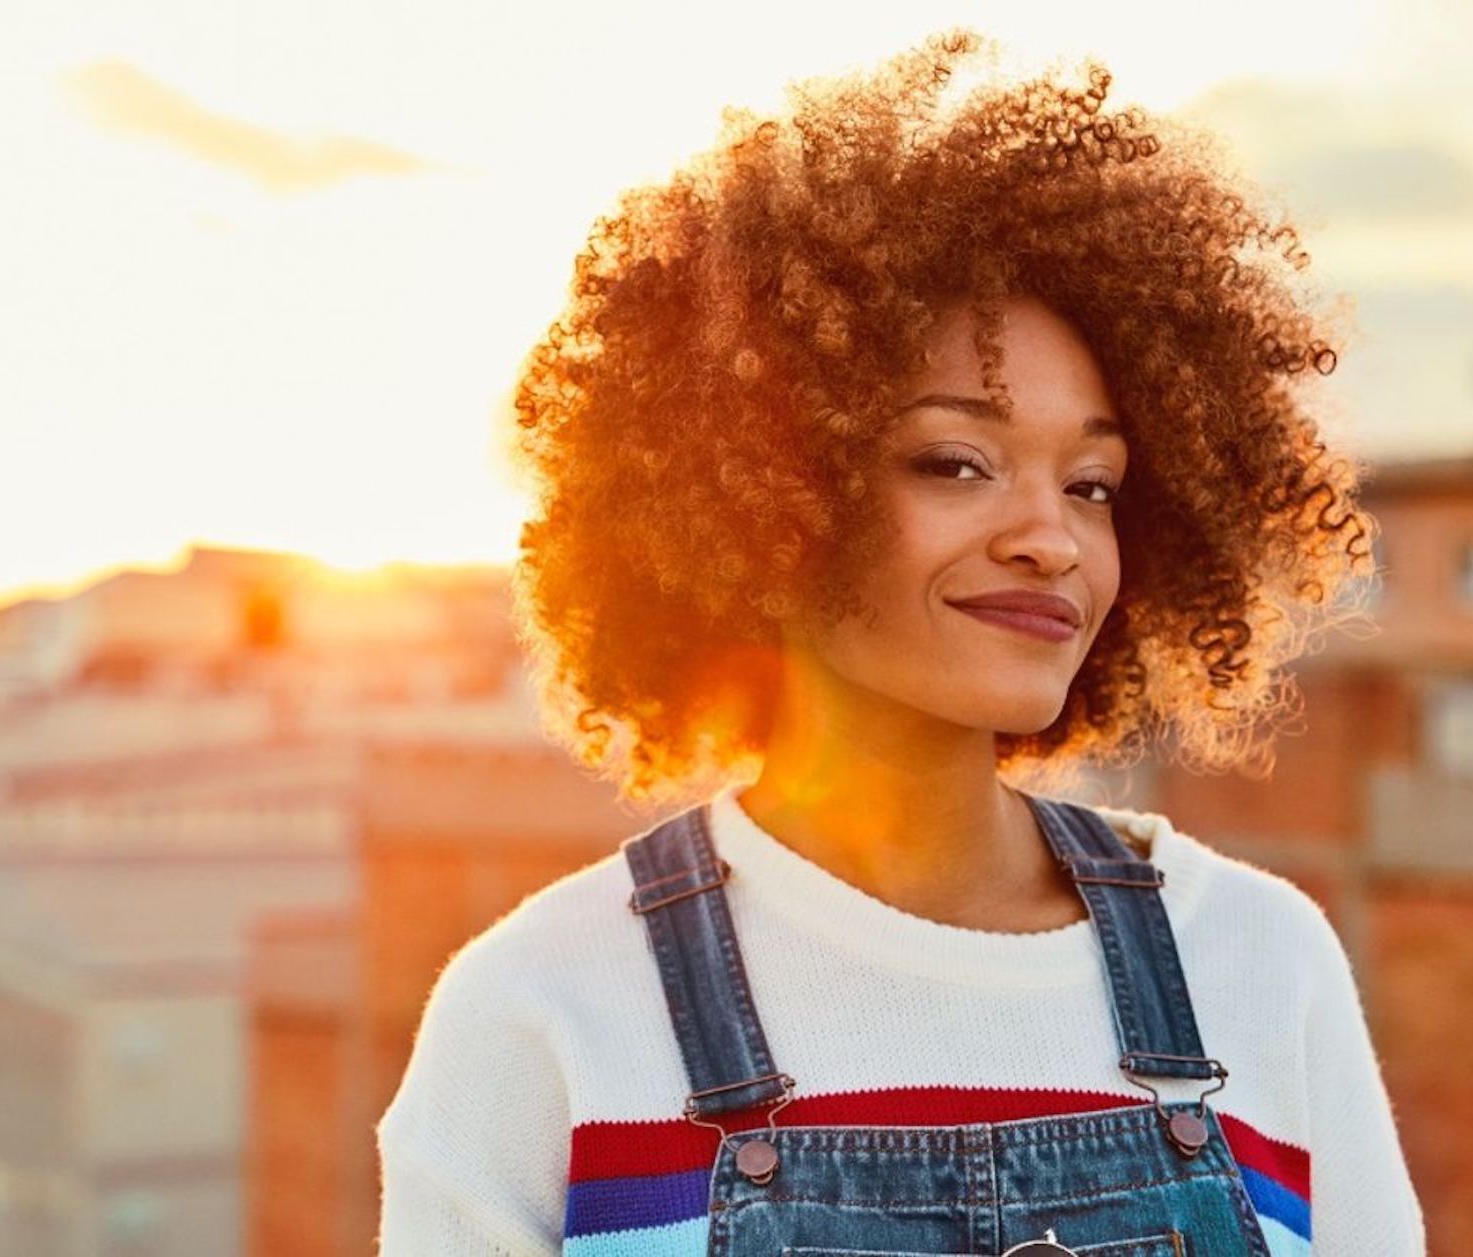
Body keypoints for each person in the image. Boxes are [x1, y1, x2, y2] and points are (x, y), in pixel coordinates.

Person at [376, 28, 1426, 1256]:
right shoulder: (540, 1012)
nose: (1051, 540)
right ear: (759, 489)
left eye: (1092, 484)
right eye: (954, 463)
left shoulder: (1253, 962)